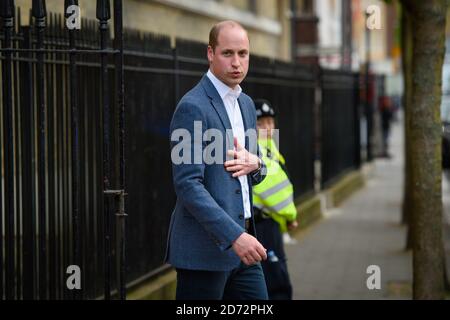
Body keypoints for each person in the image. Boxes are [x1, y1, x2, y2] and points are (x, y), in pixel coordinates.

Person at [165, 21, 269, 300]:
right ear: (210, 53)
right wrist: (235, 236)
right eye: (228, 53)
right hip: (204, 253)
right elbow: (188, 185)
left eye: (243, 54)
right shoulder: (192, 107)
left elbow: (254, 168)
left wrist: (257, 164)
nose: (237, 62)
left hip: (245, 247)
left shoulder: (246, 104)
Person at [252, 99, 298, 300]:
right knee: (276, 283)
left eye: (270, 122)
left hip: (270, 222)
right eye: (260, 123)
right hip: (263, 224)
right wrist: (291, 215)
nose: (267, 128)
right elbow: (274, 190)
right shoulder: (257, 150)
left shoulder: (269, 146)